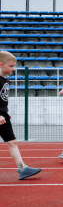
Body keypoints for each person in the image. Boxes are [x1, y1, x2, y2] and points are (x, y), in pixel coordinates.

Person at [0, 51, 42, 180]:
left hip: (3, 115)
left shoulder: (5, 79)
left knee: (13, 142)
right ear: (1, 64)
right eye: (11, 66)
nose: (13, 69)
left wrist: (4, 112)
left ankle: (22, 168)